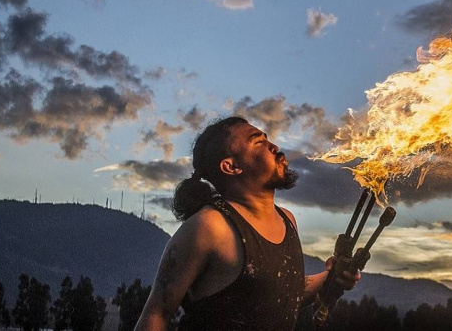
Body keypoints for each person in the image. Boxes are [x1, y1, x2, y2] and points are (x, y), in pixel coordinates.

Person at [135, 117, 359, 330]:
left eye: (267, 138)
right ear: (231, 167)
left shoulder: (287, 220)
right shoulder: (210, 226)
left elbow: (279, 295)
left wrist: (330, 278)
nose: (273, 146)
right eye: (259, 142)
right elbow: (158, 313)